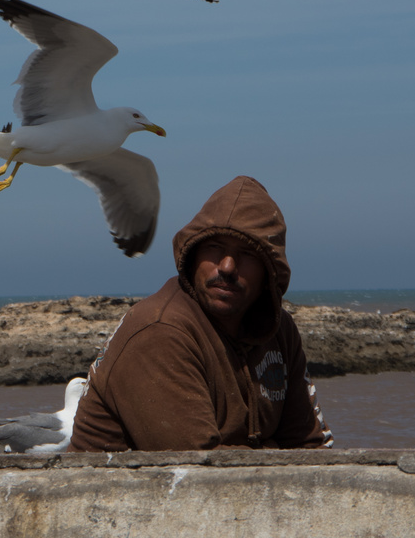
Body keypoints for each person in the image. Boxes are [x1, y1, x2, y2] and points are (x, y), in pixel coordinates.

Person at [70, 176, 333, 451]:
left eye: (248, 254)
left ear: (269, 272)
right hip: (121, 492)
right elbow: (197, 469)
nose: (228, 267)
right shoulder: (160, 330)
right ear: (192, 255)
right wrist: (272, 449)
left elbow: (309, 445)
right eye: (215, 247)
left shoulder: (279, 331)